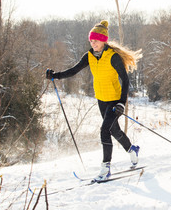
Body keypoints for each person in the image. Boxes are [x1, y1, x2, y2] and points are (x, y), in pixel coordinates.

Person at [46, 20, 142, 181]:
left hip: (114, 101)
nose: (92, 43)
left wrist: (121, 103)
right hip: (101, 100)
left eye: (95, 40)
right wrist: (55, 75)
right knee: (114, 130)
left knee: (104, 130)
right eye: (91, 40)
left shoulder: (113, 57)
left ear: (103, 40)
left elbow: (125, 80)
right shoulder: (89, 56)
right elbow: (73, 70)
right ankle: (132, 149)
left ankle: (105, 168)